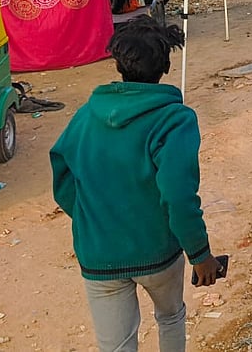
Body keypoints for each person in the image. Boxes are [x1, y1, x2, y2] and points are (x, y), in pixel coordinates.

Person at [51, 17, 222, 352]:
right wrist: (200, 254)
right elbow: (178, 194)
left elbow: (62, 175)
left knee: (116, 345)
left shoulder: (86, 116)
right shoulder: (174, 119)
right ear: (166, 66)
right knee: (170, 317)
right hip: (157, 250)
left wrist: (94, 220)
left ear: (118, 64)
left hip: (100, 254)